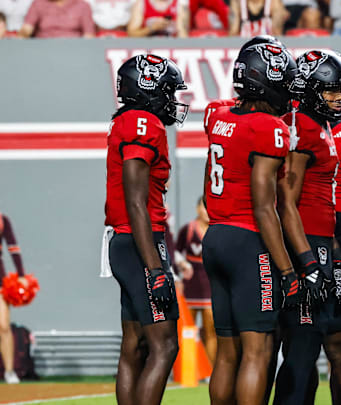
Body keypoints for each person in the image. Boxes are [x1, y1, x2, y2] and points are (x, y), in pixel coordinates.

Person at [202, 40, 298, 405]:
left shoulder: (218, 117)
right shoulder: (269, 128)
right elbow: (264, 207)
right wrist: (288, 272)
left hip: (215, 234)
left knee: (227, 352)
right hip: (247, 241)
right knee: (257, 350)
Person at [274, 49, 341, 404]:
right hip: (305, 246)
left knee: (311, 346)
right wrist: (307, 262)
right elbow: (286, 202)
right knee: (302, 347)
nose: (339, 98)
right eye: (331, 91)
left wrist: (336, 261)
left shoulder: (321, 126)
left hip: (320, 243)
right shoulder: (302, 127)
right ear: (310, 90)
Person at [105, 54, 188, 405]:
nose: (172, 100)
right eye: (168, 91)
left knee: (135, 345)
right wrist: (155, 267)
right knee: (165, 343)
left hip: (126, 239)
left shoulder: (129, 120)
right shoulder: (142, 122)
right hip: (141, 240)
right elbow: (136, 200)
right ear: (149, 88)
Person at [175, 198, 216, 364]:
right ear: (198, 208)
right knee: (188, 328)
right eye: (204, 207)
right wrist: (183, 264)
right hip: (191, 283)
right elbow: (176, 252)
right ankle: (188, 368)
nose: (206, 212)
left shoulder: (216, 229)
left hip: (211, 283)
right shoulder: (188, 229)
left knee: (211, 330)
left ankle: (210, 369)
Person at [0, 211, 26, 384]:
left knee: (3, 326)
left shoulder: (3, 220)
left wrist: (21, 274)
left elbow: (13, 247)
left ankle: (9, 372)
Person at [18, 0, 95, 37]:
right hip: (43, 49)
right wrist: (24, 32)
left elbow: (89, 35)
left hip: (73, 50)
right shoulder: (38, 3)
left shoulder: (83, 6)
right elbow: (27, 28)